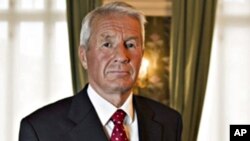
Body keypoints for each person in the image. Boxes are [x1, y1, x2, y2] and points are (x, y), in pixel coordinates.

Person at [19, 1, 182, 141]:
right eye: (107, 45)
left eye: (130, 45)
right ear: (83, 56)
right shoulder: (40, 130)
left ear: (142, 54)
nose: (121, 56)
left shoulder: (169, 121)